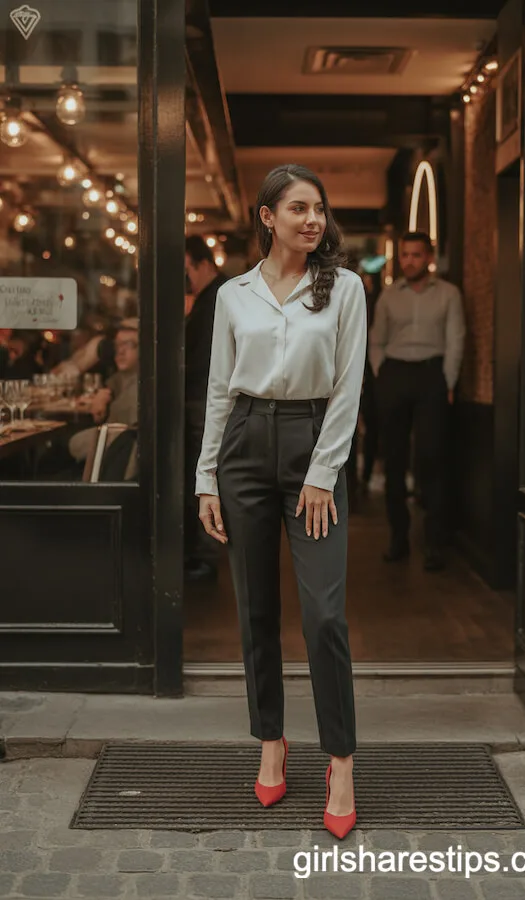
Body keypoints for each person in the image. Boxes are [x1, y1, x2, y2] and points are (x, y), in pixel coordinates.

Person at [195, 164, 366, 839]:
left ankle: (341, 760)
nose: (312, 220)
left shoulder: (345, 288)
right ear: (267, 216)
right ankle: (271, 741)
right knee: (255, 608)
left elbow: (350, 383)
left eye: (319, 208)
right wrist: (206, 477)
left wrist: (325, 469)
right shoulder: (233, 295)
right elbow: (218, 390)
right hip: (243, 446)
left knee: (324, 615)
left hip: (310, 445)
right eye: (298, 208)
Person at [369, 231, 465, 572]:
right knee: (394, 461)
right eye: (405, 255)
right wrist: (382, 374)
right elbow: (376, 340)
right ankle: (398, 539)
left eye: (416, 255)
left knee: (432, 459)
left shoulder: (449, 294)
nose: (409, 260)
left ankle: (435, 543)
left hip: (431, 375)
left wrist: (447, 381)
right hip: (395, 374)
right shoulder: (387, 296)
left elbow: (456, 339)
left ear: (428, 257)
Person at [184, 235, 228, 581]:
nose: (185, 279)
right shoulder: (210, 297)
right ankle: (203, 551)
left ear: (203, 265)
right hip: (203, 397)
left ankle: (206, 553)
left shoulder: (217, 297)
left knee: (206, 475)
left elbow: (207, 359)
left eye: (186, 271)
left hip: (205, 399)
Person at [68, 319, 139, 464]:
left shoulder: (140, 389)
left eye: (129, 344)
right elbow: (116, 380)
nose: (120, 351)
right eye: (117, 345)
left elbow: (129, 439)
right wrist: (106, 392)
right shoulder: (124, 378)